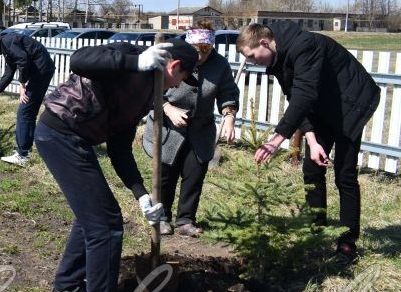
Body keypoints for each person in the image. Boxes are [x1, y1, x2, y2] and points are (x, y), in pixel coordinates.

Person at [37, 38, 199, 292]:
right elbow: (79, 59)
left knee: (92, 216)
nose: (176, 87)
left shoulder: (148, 93)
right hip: (59, 133)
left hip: (75, 140)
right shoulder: (130, 54)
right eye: (182, 79)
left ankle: (68, 287)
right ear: (174, 66)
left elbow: (120, 147)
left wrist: (142, 195)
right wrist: (135, 63)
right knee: (106, 223)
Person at [237, 22, 381, 264]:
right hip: (321, 105)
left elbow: (305, 95)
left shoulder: (305, 45)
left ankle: (347, 243)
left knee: (344, 174)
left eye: (252, 56)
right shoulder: (277, 59)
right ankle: (316, 233)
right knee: (312, 169)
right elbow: (295, 98)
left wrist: (277, 139)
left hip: (351, 102)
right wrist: (312, 141)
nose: (252, 62)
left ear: (263, 43)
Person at [143, 23, 240, 237]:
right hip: (167, 127)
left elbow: (227, 92)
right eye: (197, 52)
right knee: (166, 174)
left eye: (205, 53)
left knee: (195, 173)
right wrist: (167, 108)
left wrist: (229, 116)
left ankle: (186, 220)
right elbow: (149, 88)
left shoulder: (220, 65)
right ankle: (162, 218)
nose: (201, 58)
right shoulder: (170, 57)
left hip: (200, 130)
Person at [0, 31, 56, 166]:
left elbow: (23, 60)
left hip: (40, 71)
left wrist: (22, 85)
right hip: (42, 70)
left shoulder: (6, 41)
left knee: (24, 112)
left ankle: (22, 155)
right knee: (28, 112)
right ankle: (25, 150)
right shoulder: (7, 44)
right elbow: (9, 73)